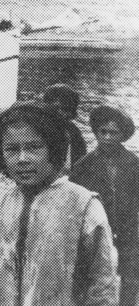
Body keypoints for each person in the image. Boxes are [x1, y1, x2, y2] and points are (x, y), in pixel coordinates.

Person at [0, 101, 118, 306]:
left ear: (54, 149)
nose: (22, 159)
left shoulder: (84, 207)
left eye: (34, 147)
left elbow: (103, 285)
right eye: (11, 149)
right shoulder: (3, 204)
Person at [70, 105, 139, 306]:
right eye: (103, 132)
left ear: (122, 135)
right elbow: (75, 203)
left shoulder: (134, 164)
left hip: (128, 230)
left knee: (131, 278)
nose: (107, 137)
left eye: (113, 133)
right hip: (96, 231)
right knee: (90, 277)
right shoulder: (83, 165)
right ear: (96, 132)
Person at [43, 84, 87, 168]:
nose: (60, 113)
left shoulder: (75, 134)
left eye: (66, 109)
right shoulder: (35, 130)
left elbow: (81, 165)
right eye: (55, 108)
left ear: (72, 112)